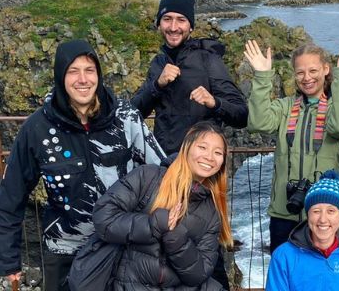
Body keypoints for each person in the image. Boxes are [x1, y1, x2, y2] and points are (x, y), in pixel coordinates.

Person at [0, 39, 166, 291]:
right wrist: (8, 260)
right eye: (73, 71)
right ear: (61, 76)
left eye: (89, 70)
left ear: (99, 75)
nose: (82, 79)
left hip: (123, 249)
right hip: (65, 253)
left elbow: (162, 171)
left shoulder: (125, 117)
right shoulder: (37, 128)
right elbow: (11, 195)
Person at [244, 40, 339, 252]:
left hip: (324, 213)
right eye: (300, 72)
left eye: (313, 70)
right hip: (285, 210)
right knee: (285, 274)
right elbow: (258, 123)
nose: (307, 78)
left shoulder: (335, 108)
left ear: (326, 70)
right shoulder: (285, 107)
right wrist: (263, 76)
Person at [88, 121, 233, 290]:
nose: (209, 157)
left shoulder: (211, 211)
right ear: (186, 148)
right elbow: (103, 218)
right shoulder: (148, 177)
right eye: (202, 147)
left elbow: (198, 274)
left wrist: (176, 236)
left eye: (218, 153)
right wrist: (154, 225)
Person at [132, 0, 248, 156]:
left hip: (200, 166)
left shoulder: (208, 59)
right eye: (167, 19)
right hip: (164, 164)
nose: (173, 27)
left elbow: (242, 116)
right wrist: (158, 85)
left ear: (191, 26)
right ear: (159, 24)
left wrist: (214, 102)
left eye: (181, 20)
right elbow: (133, 112)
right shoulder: (158, 64)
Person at [266, 170, 339, 290]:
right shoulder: (283, 256)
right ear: (308, 215)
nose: (323, 219)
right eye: (316, 211)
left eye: (331, 211)